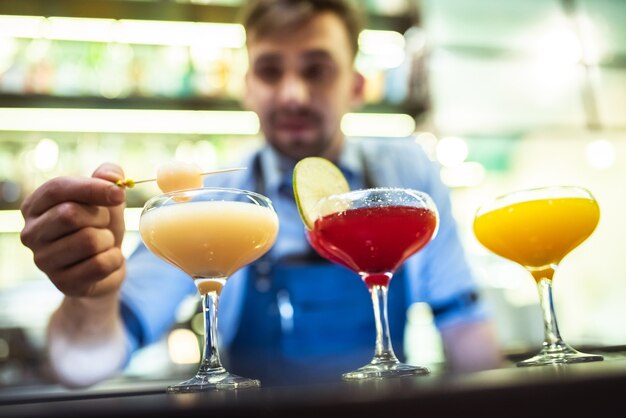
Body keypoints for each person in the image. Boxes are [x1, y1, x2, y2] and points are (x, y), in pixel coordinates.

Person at [19, 0, 503, 388]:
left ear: (356, 85)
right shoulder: (208, 200)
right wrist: (90, 296)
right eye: (270, 71)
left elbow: (465, 327)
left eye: (317, 69)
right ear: (248, 88)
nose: (292, 92)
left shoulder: (406, 177)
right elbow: (80, 366)